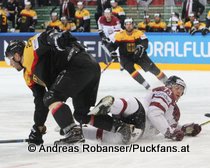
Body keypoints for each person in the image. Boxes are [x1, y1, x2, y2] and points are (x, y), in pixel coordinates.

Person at [4, 29, 101, 145]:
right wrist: (38, 127)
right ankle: (120, 125)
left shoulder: (29, 50)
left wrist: (56, 38)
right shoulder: (28, 75)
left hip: (77, 66)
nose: (10, 64)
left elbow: (44, 37)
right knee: (81, 115)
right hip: (88, 68)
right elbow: (40, 101)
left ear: (16, 56)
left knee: (51, 97)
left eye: (10, 59)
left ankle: (72, 132)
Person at [86, 76, 202, 144]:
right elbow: (154, 113)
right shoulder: (166, 92)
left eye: (182, 91)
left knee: (115, 138)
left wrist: (184, 129)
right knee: (132, 104)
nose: (179, 92)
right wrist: (169, 132)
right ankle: (110, 105)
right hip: (141, 115)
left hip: (138, 130)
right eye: (178, 88)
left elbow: (169, 125)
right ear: (169, 86)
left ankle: (83, 131)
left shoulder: (174, 110)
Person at [107, 18, 168, 90]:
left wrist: (141, 46)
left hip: (139, 55)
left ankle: (168, 83)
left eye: (130, 24)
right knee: (130, 69)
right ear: (124, 26)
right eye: (127, 24)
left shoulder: (139, 33)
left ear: (133, 25)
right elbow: (111, 46)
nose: (129, 26)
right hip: (125, 57)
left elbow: (145, 42)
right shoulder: (119, 35)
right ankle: (146, 86)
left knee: (153, 69)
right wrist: (112, 52)